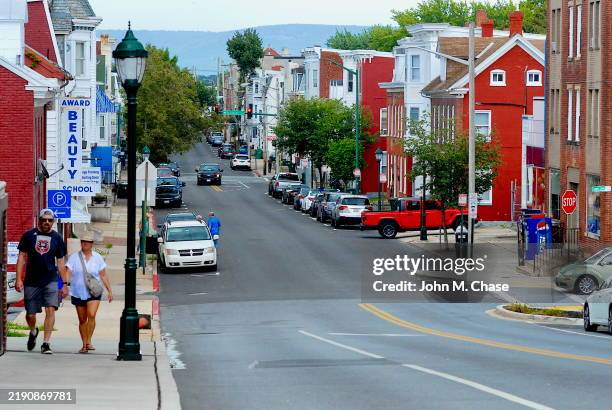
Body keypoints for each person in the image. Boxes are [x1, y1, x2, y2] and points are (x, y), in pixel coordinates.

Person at [15, 209, 68, 354]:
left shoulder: (57, 238)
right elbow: (21, 257)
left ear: (53, 222)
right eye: (44, 220)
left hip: (50, 279)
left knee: (50, 309)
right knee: (30, 314)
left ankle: (46, 343)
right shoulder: (28, 236)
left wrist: (64, 284)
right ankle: (33, 331)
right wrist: (19, 278)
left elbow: (61, 262)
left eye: (50, 220)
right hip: (32, 280)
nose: (47, 222)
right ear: (39, 220)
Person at [64, 231, 113, 353]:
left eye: (87, 242)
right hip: (78, 292)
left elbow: (103, 275)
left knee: (91, 315)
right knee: (82, 319)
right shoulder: (74, 258)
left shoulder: (98, 258)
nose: (85, 244)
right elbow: (67, 273)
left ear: (91, 244)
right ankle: (84, 343)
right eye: (83, 242)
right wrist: (63, 286)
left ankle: (89, 341)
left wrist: (109, 291)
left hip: (94, 292)